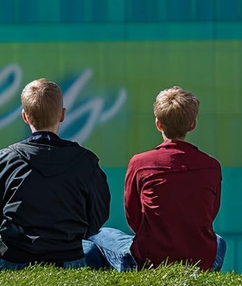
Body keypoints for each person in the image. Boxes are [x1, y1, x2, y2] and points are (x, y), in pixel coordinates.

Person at [0, 78, 109, 270]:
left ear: (24, 116)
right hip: (69, 256)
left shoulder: (8, 158)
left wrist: (10, 237)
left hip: (16, 257)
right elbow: (99, 212)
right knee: (90, 247)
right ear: (62, 115)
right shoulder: (85, 161)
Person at [87, 87, 227, 272]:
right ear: (193, 124)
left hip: (151, 258)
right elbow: (210, 213)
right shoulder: (212, 166)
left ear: (158, 124)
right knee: (219, 241)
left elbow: (134, 218)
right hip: (200, 258)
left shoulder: (139, 163)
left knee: (101, 233)